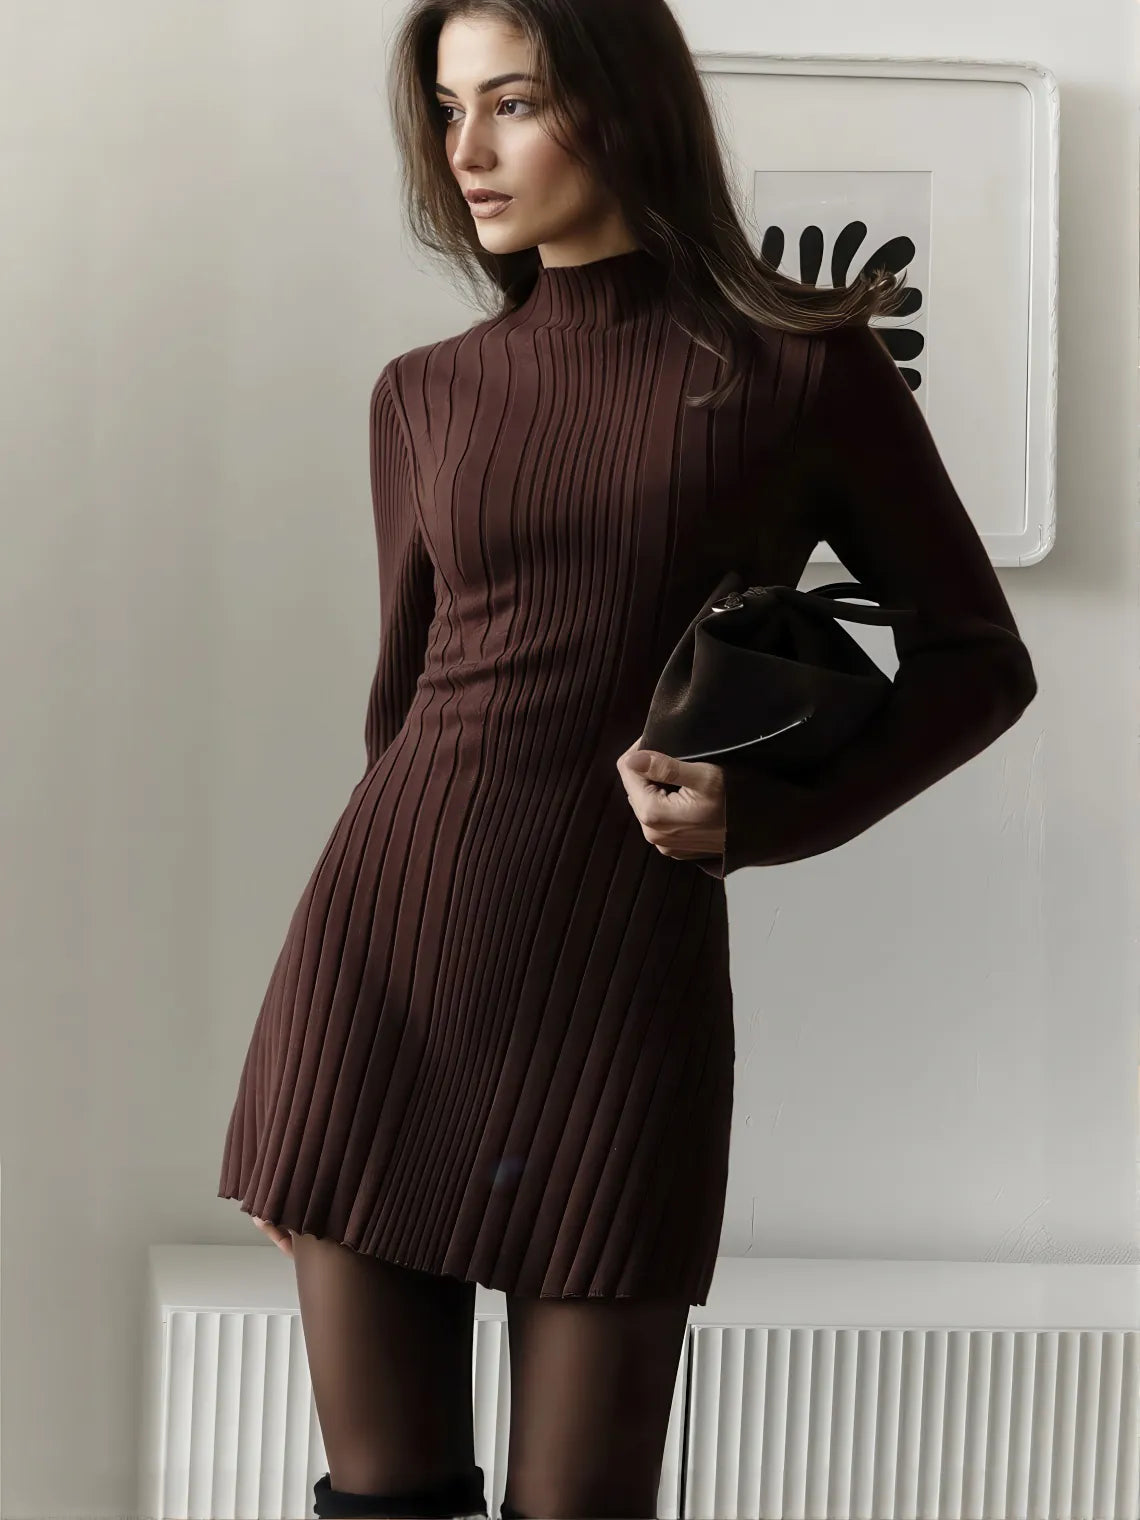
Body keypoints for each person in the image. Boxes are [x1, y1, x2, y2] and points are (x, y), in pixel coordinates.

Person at [216, 0, 1038, 1516]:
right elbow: (401, 713)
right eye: (450, 109)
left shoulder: (797, 365)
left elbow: (981, 665)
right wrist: (297, 1088)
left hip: (617, 992)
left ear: (621, 101)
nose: (466, 148)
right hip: (380, 975)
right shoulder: (426, 394)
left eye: (513, 101)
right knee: (385, 1498)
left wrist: (765, 820)